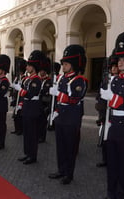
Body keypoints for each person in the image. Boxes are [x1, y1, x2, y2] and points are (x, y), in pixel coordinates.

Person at [48, 44, 88, 185]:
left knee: (70, 147)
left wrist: (59, 94)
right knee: (60, 145)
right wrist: (55, 112)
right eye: (63, 63)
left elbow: (74, 98)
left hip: (72, 117)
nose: (63, 66)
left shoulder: (79, 80)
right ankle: (61, 170)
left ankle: (69, 174)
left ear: (73, 65)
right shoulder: (61, 78)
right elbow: (60, 100)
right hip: (61, 115)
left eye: (66, 64)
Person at [100, 30, 124, 199]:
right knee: (112, 165)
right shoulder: (117, 79)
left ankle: (122, 194)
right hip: (113, 126)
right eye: (119, 58)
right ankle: (111, 192)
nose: (120, 62)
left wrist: (118, 101)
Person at [13, 50, 47, 164]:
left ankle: (32, 156)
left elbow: (31, 93)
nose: (27, 67)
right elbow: (24, 96)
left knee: (32, 134)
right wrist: (20, 104)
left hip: (33, 107)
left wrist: (20, 90)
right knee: (26, 133)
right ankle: (27, 153)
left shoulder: (36, 80)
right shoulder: (28, 79)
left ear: (34, 67)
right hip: (27, 107)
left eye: (29, 66)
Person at [95, 51, 118, 168]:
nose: (113, 69)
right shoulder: (105, 80)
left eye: (115, 66)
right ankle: (105, 159)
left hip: (115, 114)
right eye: (112, 66)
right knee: (105, 138)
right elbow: (100, 95)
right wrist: (100, 108)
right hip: (105, 112)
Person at [10, 58, 27, 136]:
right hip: (16, 97)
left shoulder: (25, 79)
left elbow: (23, 90)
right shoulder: (17, 78)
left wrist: (21, 102)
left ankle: (21, 129)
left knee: (20, 115)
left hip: (20, 98)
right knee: (16, 115)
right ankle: (17, 129)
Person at [38, 59, 52, 143]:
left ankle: (42, 137)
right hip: (38, 103)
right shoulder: (39, 80)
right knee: (38, 121)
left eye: (42, 71)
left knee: (43, 122)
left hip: (45, 103)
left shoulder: (48, 81)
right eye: (40, 70)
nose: (41, 72)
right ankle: (39, 135)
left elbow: (47, 92)